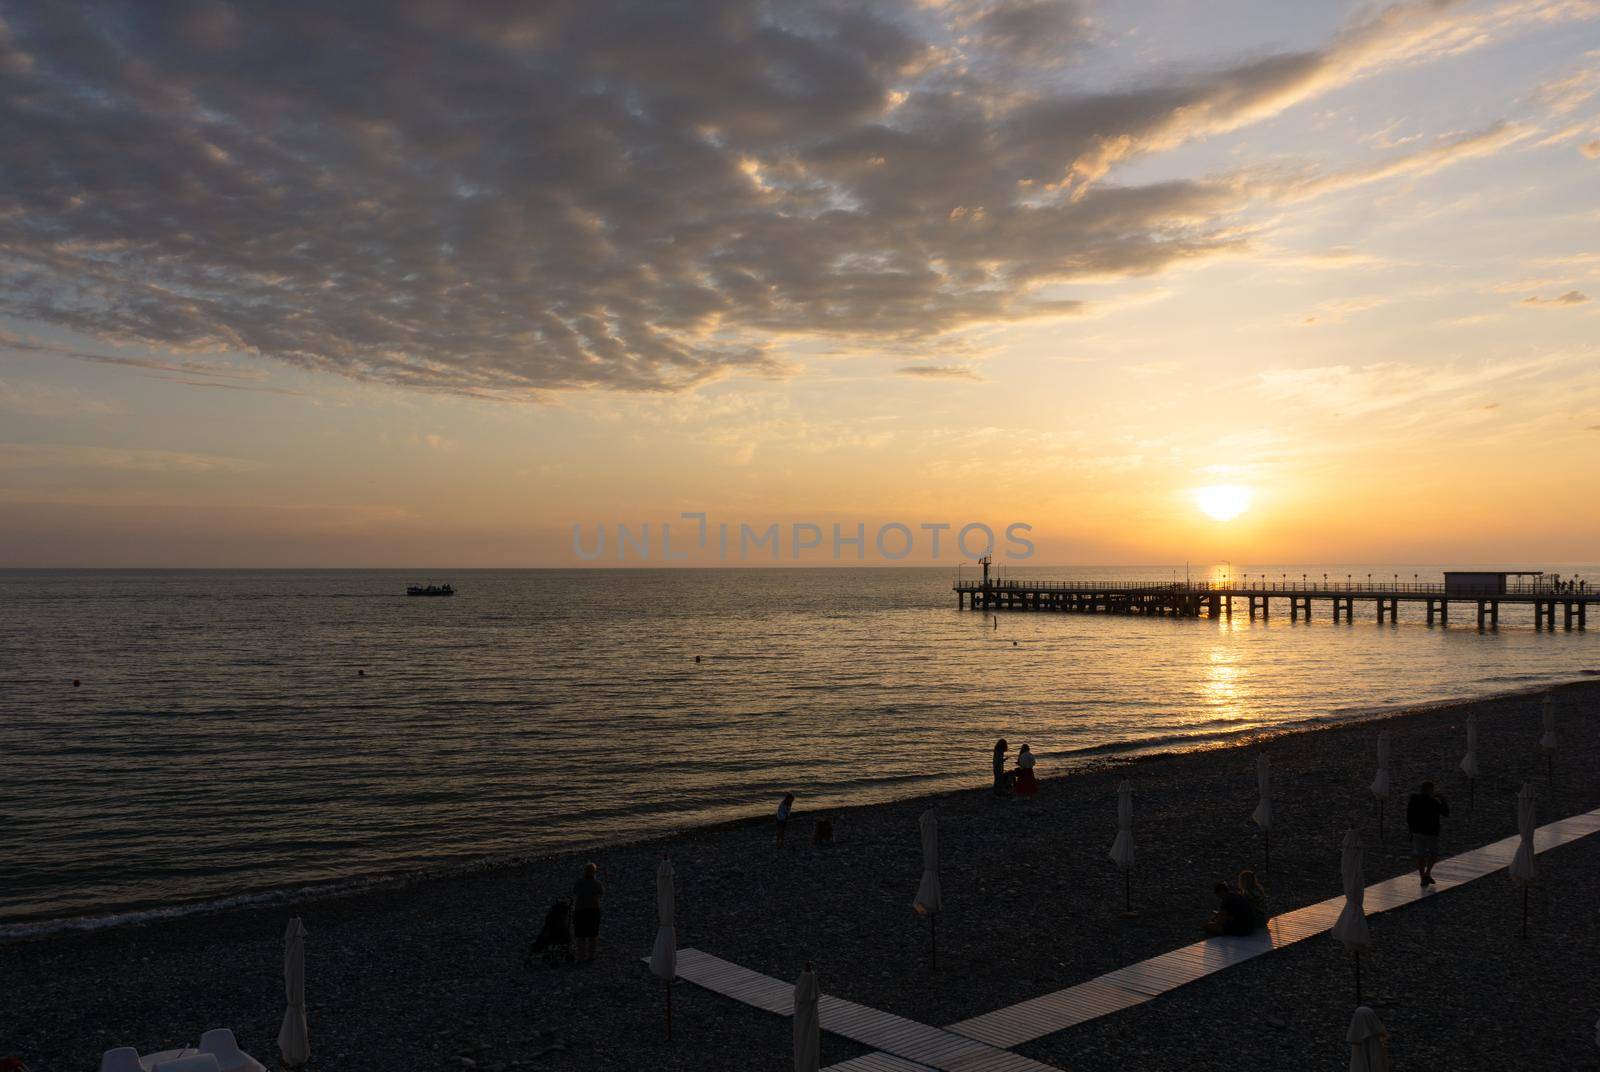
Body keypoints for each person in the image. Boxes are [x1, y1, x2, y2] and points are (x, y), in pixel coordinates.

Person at [1407, 780, 1449, 887]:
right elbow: (1446, 812)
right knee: (1433, 853)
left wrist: (1411, 829)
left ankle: (1423, 877)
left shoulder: (1414, 800)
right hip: (1430, 832)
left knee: (1420, 856)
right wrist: (1443, 800)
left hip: (1417, 831)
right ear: (1430, 790)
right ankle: (1427, 873)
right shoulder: (1433, 802)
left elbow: (1409, 816)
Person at [525, 900, 574, 968]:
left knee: (541, 941)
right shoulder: (563, 920)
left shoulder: (551, 917)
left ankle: (534, 952)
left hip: (553, 937)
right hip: (564, 936)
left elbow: (547, 931)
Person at [571, 862, 603, 963]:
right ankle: (591, 956)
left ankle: (580, 957)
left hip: (581, 911)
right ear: (594, 872)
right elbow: (601, 892)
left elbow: (575, 891)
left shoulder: (579, 883)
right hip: (593, 911)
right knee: (592, 935)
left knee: (581, 936)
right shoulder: (597, 884)